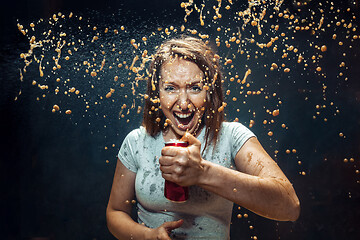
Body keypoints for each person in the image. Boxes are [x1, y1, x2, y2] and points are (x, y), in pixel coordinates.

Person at [106, 36, 300, 240]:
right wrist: (148, 236)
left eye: (195, 88)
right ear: (157, 93)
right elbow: (115, 212)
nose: (183, 103)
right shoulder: (136, 142)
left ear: (210, 92)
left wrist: (202, 172)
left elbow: (290, 206)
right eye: (170, 88)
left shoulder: (232, 136)